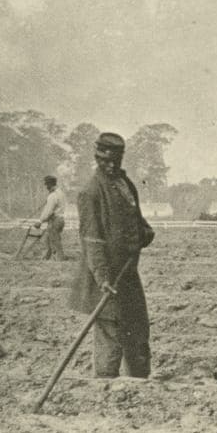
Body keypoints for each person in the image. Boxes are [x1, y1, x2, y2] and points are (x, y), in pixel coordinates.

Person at [69, 132, 156, 378]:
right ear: (97, 158)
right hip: (105, 278)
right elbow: (92, 240)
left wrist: (145, 232)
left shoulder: (125, 185)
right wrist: (102, 277)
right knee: (111, 332)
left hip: (128, 273)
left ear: (121, 159)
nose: (109, 165)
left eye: (114, 161)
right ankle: (105, 387)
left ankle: (139, 384)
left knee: (137, 330)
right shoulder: (91, 191)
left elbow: (137, 221)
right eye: (104, 161)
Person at [35, 175, 66, 261]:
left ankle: (60, 258)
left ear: (50, 184)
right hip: (61, 220)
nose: (46, 187)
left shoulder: (53, 195)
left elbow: (48, 211)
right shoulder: (61, 193)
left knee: (54, 240)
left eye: (47, 185)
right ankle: (46, 257)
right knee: (47, 239)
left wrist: (40, 221)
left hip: (55, 220)